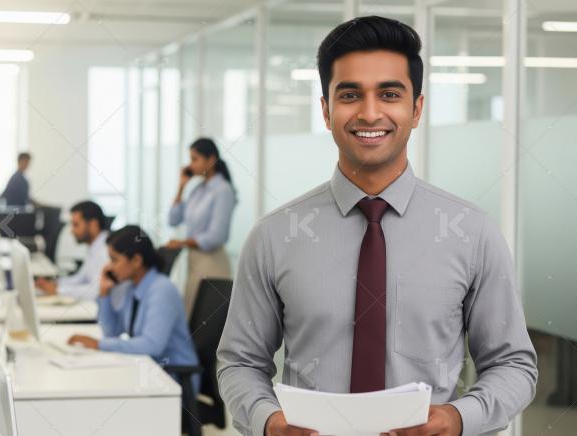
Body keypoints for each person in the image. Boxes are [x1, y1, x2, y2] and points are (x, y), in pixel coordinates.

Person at [217, 16, 538, 436]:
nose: (370, 113)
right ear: (326, 109)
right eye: (350, 94)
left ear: (417, 108)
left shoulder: (472, 233)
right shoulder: (275, 236)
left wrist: (459, 419)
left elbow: (513, 364)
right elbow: (239, 361)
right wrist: (267, 421)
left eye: (389, 94)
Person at [67, 225, 199, 390]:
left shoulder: (162, 290)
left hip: (174, 380)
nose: (109, 267)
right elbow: (112, 332)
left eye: (114, 260)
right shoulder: (133, 287)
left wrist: (99, 344)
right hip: (149, 371)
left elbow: (152, 345)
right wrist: (104, 294)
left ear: (136, 260)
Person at [167, 137, 236, 313]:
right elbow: (173, 220)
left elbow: (217, 236)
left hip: (212, 263)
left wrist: (182, 243)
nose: (190, 165)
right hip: (194, 262)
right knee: (191, 314)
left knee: (206, 322)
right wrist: (181, 186)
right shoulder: (198, 190)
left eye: (194, 159)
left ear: (211, 159)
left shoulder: (223, 190)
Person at [35, 201, 110, 300]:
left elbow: (96, 290)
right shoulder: (95, 247)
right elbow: (81, 278)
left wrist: (58, 290)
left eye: (76, 225)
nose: (72, 231)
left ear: (93, 224)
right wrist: (56, 284)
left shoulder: (105, 251)